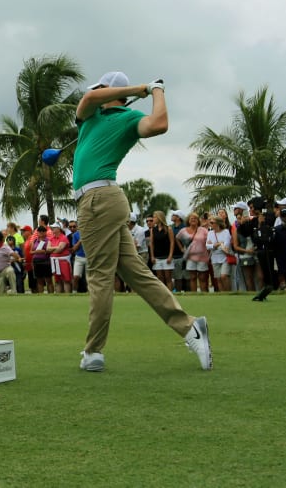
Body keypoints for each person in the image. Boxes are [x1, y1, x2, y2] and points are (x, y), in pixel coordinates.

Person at [73, 71, 211, 372]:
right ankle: (190, 328)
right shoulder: (89, 116)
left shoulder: (128, 118)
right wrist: (143, 87)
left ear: (111, 91)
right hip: (99, 201)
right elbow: (87, 99)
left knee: (98, 276)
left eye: (101, 87)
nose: (95, 91)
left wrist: (157, 91)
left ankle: (93, 352)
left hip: (99, 200)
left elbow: (159, 124)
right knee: (138, 274)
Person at [148, 211, 175, 290]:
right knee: (160, 277)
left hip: (166, 256)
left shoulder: (168, 228)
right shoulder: (153, 230)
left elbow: (172, 242)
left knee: (168, 277)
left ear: (159, 218)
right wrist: (152, 256)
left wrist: (170, 255)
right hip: (157, 257)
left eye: (155, 217)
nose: (153, 219)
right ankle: (163, 294)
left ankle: (170, 294)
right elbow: (152, 243)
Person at [0, 231, 17, 295]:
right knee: (0, 293)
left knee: (10, 271)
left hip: (5, 268)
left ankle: (14, 291)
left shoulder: (5, 247)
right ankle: (8, 292)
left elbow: (15, 255)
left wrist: (13, 260)